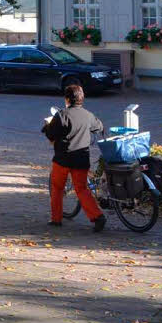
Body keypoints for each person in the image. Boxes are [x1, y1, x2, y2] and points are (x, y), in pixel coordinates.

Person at [42, 83, 107, 232]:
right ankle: (97, 217)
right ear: (81, 99)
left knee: (57, 188)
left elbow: (51, 134)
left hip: (63, 159)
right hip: (81, 158)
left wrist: (47, 124)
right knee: (82, 189)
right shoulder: (88, 115)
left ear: (67, 99)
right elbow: (99, 127)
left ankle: (56, 219)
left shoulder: (62, 115)